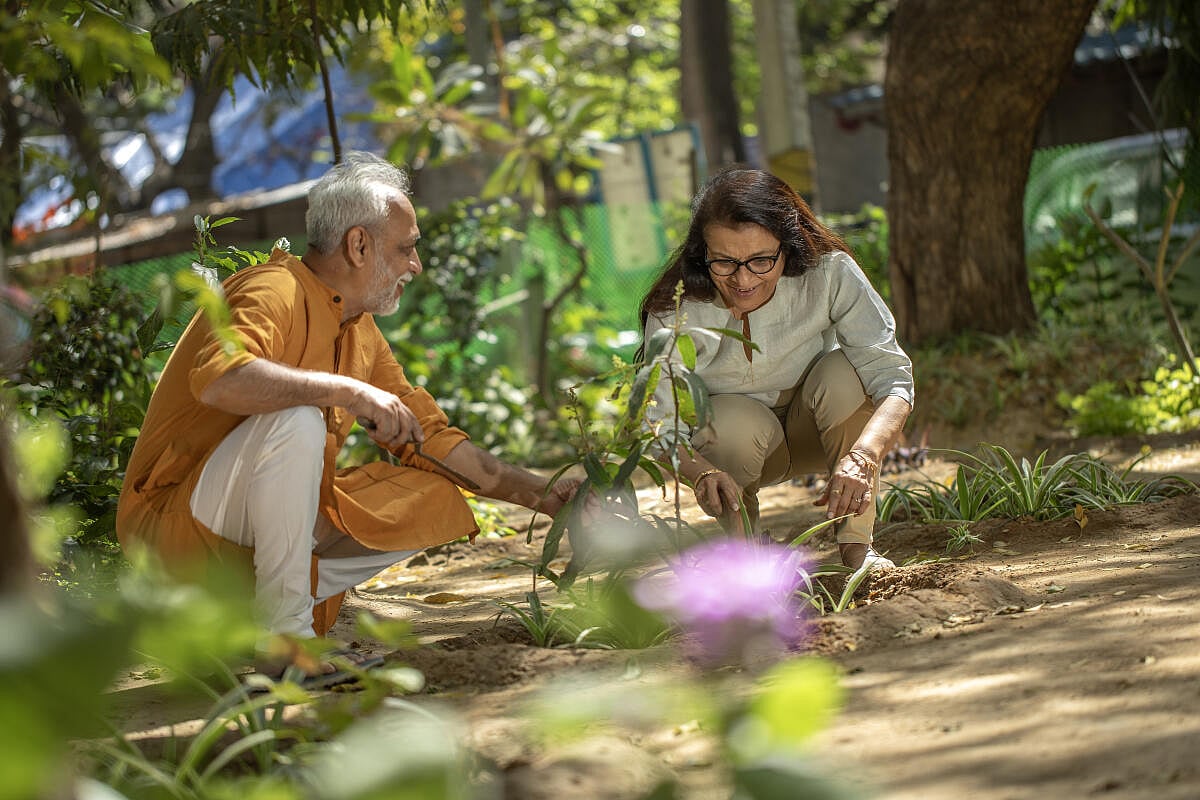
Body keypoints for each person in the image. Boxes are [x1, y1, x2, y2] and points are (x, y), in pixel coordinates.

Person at [117, 151, 581, 650]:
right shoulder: (272, 288)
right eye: (406, 249)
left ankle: (253, 620)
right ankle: (286, 643)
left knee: (435, 497)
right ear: (358, 245)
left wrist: (542, 494)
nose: (415, 266)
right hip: (169, 533)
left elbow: (431, 439)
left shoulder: (359, 331)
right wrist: (349, 391)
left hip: (238, 541)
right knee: (297, 421)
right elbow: (221, 380)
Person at [638, 167, 913, 571]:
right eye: (724, 263)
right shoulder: (676, 309)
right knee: (729, 422)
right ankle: (745, 555)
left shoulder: (831, 273)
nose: (743, 279)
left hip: (818, 431)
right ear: (702, 255)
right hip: (736, 449)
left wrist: (865, 455)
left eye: (761, 260)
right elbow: (658, 424)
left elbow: (892, 379)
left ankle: (857, 549)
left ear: (789, 245)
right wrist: (700, 473)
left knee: (844, 373)